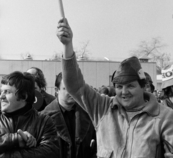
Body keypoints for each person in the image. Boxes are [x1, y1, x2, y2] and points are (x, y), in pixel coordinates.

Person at [57, 18, 173, 158]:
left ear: (143, 86)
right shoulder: (102, 108)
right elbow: (74, 85)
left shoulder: (165, 117)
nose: (124, 92)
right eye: (119, 86)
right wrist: (67, 45)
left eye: (130, 86)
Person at [0, 71, 60, 157]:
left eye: (7, 92)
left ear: (24, 96)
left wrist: (7, 156)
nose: (1, 96)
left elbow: (49, 152)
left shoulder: (44, 122)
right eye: (1, 91)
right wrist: (16, 138)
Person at [42, 72, 97, 158]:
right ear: (57, 90)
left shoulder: (88, 114)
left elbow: (97, 147)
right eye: (67, 88)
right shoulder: (45, 117)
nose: (73, 92)